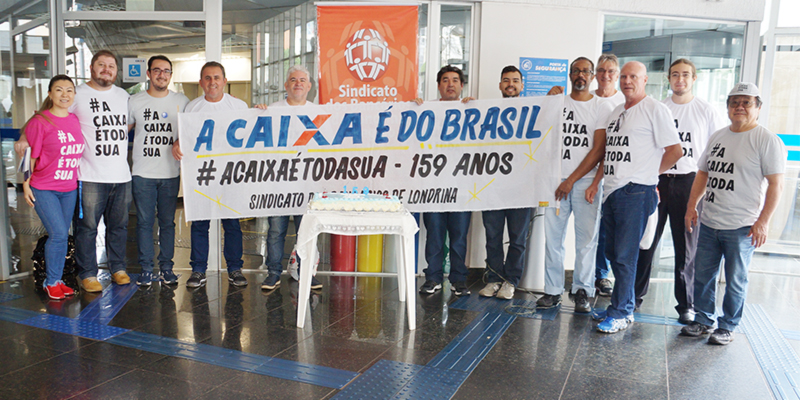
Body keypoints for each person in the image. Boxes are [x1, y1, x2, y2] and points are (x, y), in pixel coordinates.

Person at [14, 50, 134, 292]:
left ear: (116, 71)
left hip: (121, 175)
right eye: (101, 65)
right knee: (86, 229)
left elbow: (129, 124)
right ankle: (87, 273)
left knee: (119, 226)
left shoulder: (123, 96)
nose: (106, 69)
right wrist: (24, 137)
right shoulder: (76, 93)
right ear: (91, 68)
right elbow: (43, 116)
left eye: (111, 66)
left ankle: (118, 268)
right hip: (88, 175)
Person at [681, 82, 786, 345]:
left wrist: (763, 222)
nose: (739, 107)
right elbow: (703, 173)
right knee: (703, 276)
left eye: (746, 102)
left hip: (742, 226)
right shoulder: (718, 136)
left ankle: (727, 326)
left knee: (736, 280)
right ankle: (703, 320)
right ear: (727, 107)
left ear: (758, 107)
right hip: (710, 221)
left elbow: (776, 184)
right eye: (734, 102)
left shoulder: (766, 140)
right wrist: (692, 206)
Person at [592, 61, 682, 333]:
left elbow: (675, 151)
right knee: (612, 253)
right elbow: (609, 152)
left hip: (635, 191)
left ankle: (620, 312)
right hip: (612, 191)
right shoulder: (617, 111)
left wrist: (649, 175)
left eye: (634, 76)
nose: (627, 81)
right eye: (624, 76)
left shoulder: (655, 109)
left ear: (644, 80)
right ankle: (624, 306)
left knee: (624, 256)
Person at [634, 59, 726, 323]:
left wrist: (704, 191)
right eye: (675, 74)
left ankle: (686, 304)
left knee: (686, 247)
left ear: (694, 78)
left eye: (685, 75)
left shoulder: (706, 111)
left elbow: (714, 153)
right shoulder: (659, 108)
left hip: (689, 182)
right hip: (659, 180)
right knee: (646, 241)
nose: (680, 79)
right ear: (669, 79)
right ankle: (634, 296)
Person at [537, 57, 614, 312]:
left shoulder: (601, 106)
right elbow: (539, 132)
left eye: (585, 71)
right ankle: (552, 290)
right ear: (570, 75)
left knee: (586, 241)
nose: (581, 75)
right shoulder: (558, 102)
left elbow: (599, 149)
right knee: (553, 239)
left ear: (592, 76)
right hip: (554, 181)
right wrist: (547, 100)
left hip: (585, 184)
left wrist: (572, 180)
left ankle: (582, 290)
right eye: (576, 71)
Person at [175, 61, 249, 288]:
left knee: (232, 225)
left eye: (216, 77)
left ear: (224, 81)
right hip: (202, 176)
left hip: (230, 176)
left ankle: (235, 269)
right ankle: (198, 270)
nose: (212, 82)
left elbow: (252, 137)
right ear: (201, 82)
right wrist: (177, 142)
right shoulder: (192, 108)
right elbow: (185, 137)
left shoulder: (239, 106)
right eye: (207, 78)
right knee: (199, 224)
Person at [19, 75, 84, 300]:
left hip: (69, 188)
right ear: (50, 94)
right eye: (59, 90)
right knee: (58, 234)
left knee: (62, 236)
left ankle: (57, 280)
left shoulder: (74, 119)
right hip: (44, 187)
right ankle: (50, 282)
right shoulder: (40, 121)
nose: (64, 94)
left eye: (69, 90)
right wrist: (25, 184)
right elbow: (30, 157)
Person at [259, 64, 322, 292]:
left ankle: (306, 273)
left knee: (306, 231)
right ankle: (273, 273)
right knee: (276, 230)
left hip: (307, 183)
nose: (298, 84)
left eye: (302, 80)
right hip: (278, 182)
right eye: (293, 80)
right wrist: (257, 115)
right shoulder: (272, 110)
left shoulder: (319, 112)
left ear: (309, 86)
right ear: (286, 85)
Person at [128, 55, 189, 286]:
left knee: (167, 223)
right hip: (142, 174)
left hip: (170, 173)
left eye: (166, 71)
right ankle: (146, 268)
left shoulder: (182, 100)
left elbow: (192, 129)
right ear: (148, 73)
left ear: (171, 75)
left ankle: (166, 268)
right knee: (144, 223)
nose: (161, 75)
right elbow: (120, 131)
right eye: (157, 70)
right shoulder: (135, 101)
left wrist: (180, 140)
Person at [417, 65, 474, 296]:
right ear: (439, 85)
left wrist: (476, 110)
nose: (450, 84)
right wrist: (413, 109)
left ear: (462, 85)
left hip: (461, 185)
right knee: (435, 233)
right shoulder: (426, 110)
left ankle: (459, 280)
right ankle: (433, 278)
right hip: (433, 185)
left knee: (459, 235)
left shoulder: (471, 110)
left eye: (455, 80)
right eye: (445, 80)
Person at [477, 65, 533, 300]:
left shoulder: (532, 112)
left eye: (515, 80)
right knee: (493, 237)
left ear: (522, 85)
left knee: (518, 239)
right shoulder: (486, 112)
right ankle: (494, 279)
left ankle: (511, 281)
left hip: (522, 188)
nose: (511, 84)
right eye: (506, 80)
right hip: (493, 186)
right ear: (500, 85)